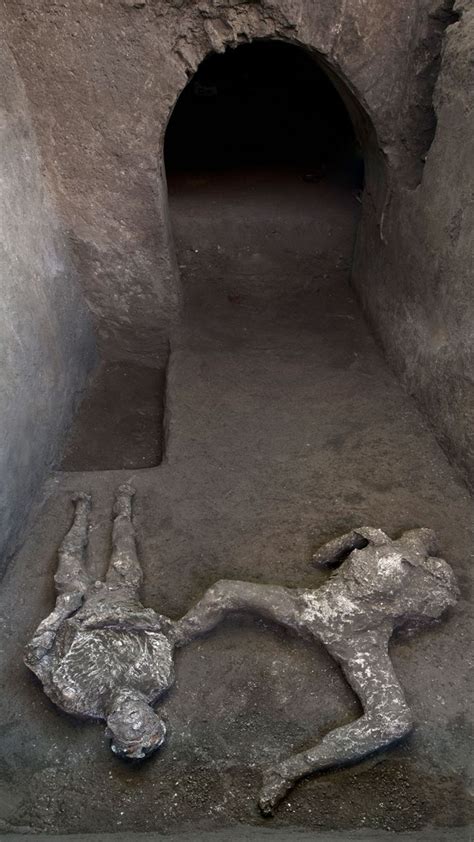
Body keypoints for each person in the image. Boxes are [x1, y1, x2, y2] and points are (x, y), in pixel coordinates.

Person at [172, 525, 459, 814]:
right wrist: (354, 538)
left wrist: (354, 540)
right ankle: (173, 637)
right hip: (327, 617)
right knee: (225, 591)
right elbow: (324, 561)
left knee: (394, 721)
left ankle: (290, 769)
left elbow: (321, 559)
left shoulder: (407, 561)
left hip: (340, 626)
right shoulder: (389, 551)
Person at [25, 484, 175, 760]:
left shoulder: (73, 697)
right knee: (124, 546)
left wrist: (60, 612)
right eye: (142, 717)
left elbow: (34, 656)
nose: (132, 715)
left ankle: (81, 512)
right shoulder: (159, 677)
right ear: (153, 713)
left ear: (110, 730)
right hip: (122, 597)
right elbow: (160, 626)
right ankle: (123, 507)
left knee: (68, 555)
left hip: (77, 605)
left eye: (128, 727)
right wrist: (118, 616)